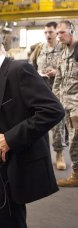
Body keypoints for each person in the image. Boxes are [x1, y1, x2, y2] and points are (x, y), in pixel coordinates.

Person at [0, 23, 64, 228]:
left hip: (5, 161)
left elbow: (53, 110)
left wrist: (10, 138)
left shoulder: (19, 70)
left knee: (9, 221)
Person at [29, 21, 67, 170]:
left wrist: (57, 73)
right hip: (41, 92)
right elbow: (30, 66)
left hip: (58, 92)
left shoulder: (64, 48)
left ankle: (59, 154)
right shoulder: (39, 48)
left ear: (56, 32)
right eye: (45, 32)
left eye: (50, 32)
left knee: (58, 125)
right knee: (38, 124)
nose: (48, 35)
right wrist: (36, 75)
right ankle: (39, 156)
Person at [53, 20, 78, 187]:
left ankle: (76, 175)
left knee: (75, 140)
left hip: (77, 104)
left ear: (72, 30)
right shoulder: (63, 52)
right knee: (71, 140)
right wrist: (54, 101)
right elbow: (59, 79)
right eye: (57, 33)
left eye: (62, 32)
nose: (59, 36)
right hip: (64, 104)